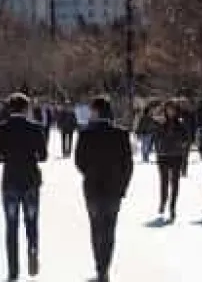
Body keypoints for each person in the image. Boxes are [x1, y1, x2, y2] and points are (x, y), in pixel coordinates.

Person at [75, 96, 133, 282]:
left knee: (96, 227)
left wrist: (90, 173)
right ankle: (105, 267)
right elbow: (128, 165)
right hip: (114, 188)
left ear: (96, 111)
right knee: (110, 228)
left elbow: (79, 162)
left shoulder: (85, 134)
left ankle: (99, 265)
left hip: (92, 187)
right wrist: (123, 186)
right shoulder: (121, 134)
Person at [0, 93, 48, 282]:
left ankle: (13, 270)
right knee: (31, 222)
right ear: (26, 108)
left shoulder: (0, 129)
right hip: (30, 181)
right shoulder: (35, 128)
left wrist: (8, 156)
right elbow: (43, 156)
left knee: (11, 226)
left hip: (10, 182)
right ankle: (32, 248)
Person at [154, 100, 190, 222]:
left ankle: (172, 206)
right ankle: (163, 201)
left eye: (173, 109)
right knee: (163, 181)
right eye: (168, 109)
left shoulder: (181, 123)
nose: (170, 111)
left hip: (176, 155)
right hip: (163, 155)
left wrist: (181, 146)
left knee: (175, 182)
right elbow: (156, 137)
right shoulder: (161, 122)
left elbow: (186, 139)